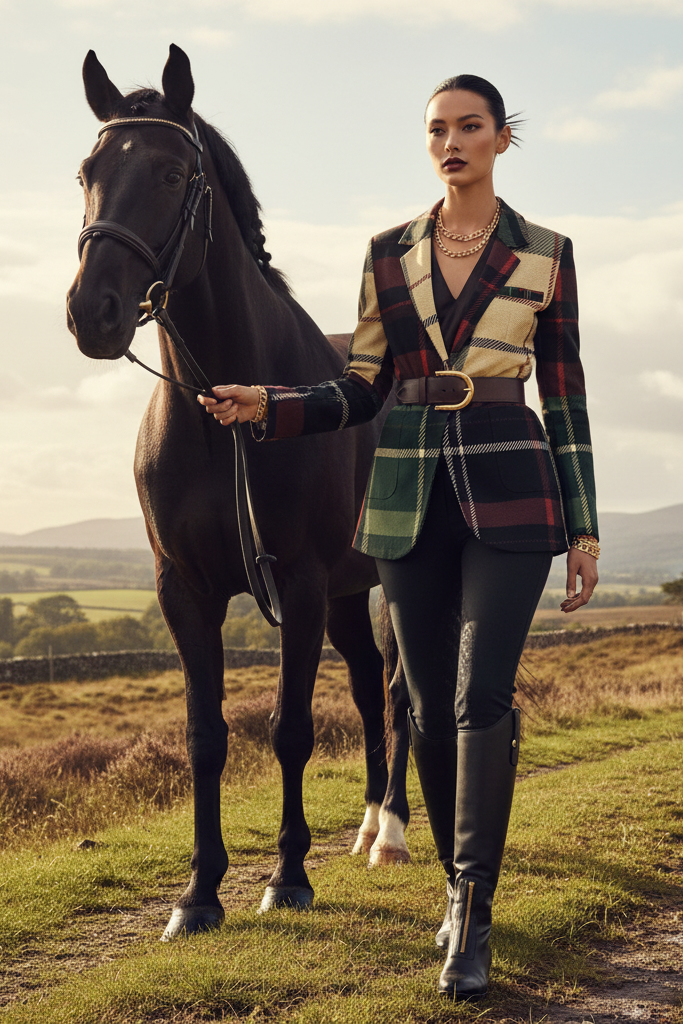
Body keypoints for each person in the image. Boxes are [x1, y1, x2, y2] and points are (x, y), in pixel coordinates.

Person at [198, 74, 599, 1000]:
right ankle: (455, 877)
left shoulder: (545, 254)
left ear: (502, 138)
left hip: (512, 483)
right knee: (420, 701)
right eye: (436, 130)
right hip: (403, 493)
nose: (450, 142)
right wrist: (276, 403)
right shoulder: (388, 253)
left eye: (469, 128)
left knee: (479, 698)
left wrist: (581, 525)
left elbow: (567, 396)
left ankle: (470, 903)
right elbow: (362, 389)